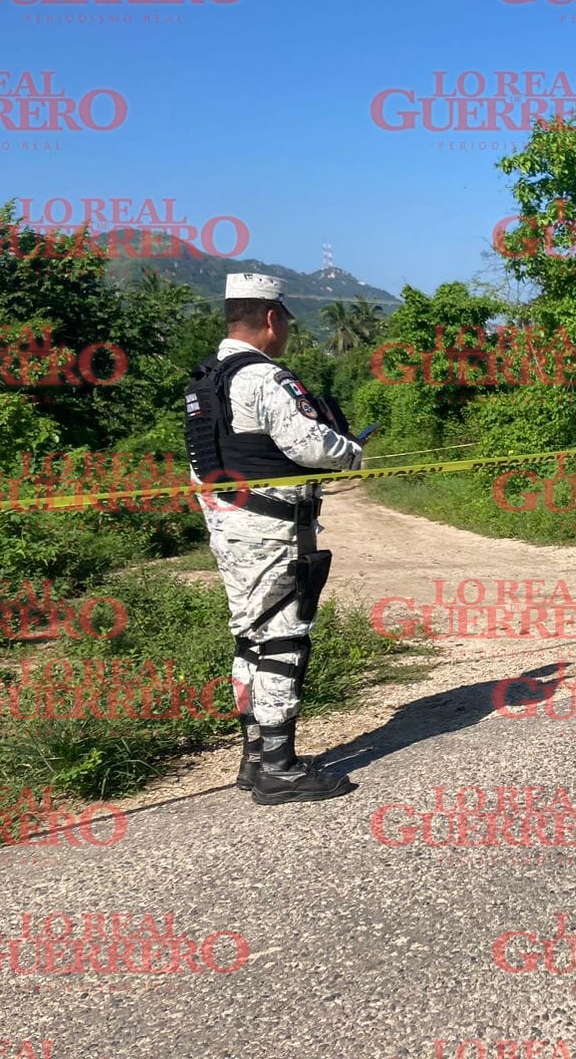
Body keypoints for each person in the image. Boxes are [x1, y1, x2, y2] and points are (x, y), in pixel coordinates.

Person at [185, 274, 363, 805]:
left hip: (228, 526)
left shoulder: (204, 381)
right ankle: (279, 769)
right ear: (271, 319)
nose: (285, 330)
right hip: (272, 529)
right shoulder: (265, 377)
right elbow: (314, 448)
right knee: (285, 636)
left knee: (251, 636)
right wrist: (352, 449)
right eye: (284, 319)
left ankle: (255, 756)